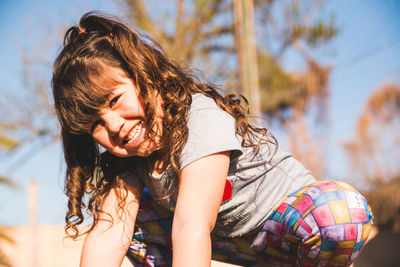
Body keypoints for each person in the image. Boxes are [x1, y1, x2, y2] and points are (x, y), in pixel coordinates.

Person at [52, 12, 373, 267]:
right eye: (95, 123)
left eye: (113, 101)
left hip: (288, 227)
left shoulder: (197, 118)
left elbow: (191, 225)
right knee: (125, 220)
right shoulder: (129, 161)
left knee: (339, 212)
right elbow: (107, 239)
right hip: (238, 245)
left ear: (142, 73)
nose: (114, 126)